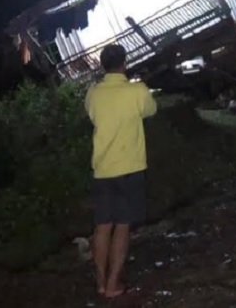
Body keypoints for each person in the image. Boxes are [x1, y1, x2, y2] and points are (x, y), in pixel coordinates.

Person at [84, 44, 157, 298]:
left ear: (103, 66)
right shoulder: (137, 90)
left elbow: (93, 116)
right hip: (130, 167)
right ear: (124, 63)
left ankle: (101, 282)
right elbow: (151, 110)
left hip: (103, 168)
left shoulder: (93, 93)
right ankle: (114, 283)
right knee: (122, 226)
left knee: (102, 226)